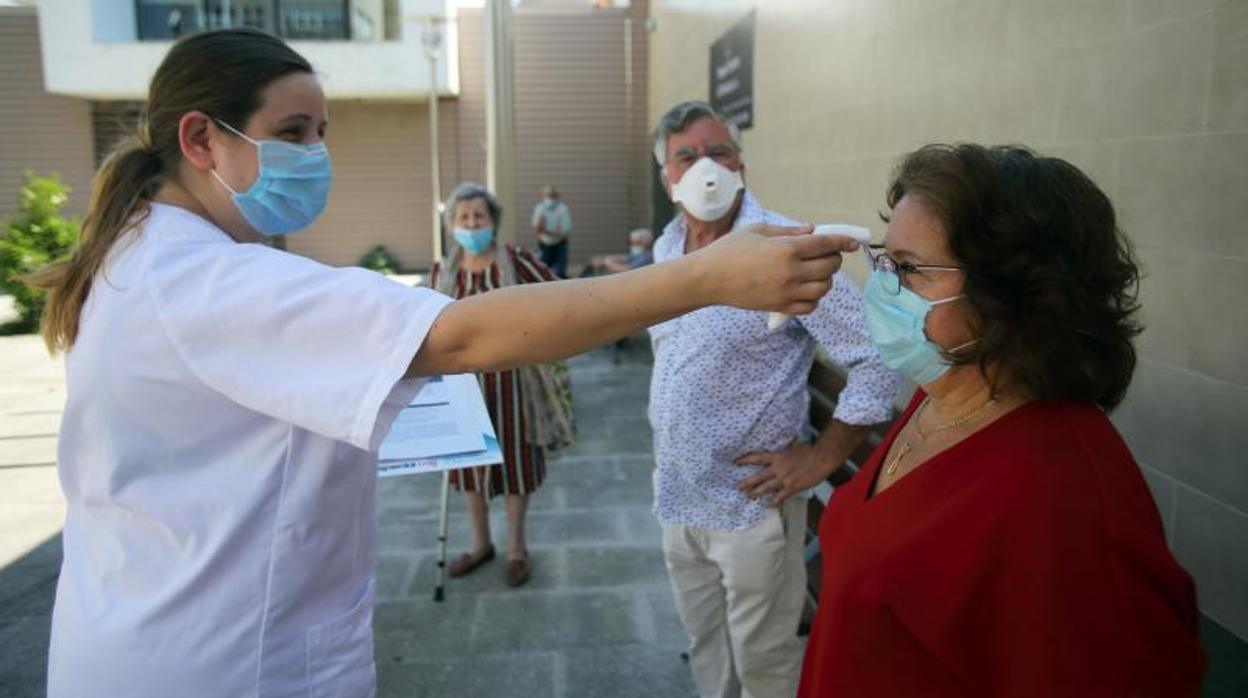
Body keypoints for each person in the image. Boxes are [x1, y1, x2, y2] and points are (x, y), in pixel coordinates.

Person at [25, 30, 857, 698]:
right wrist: (704, 279)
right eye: (291, 133)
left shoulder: (147, 256)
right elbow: (459, 336)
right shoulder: (205, 279)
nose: (316, 155)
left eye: (320, 133)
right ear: (200, 137)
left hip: (166, 627)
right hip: (216, 658)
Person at [795, 144, 1205, 697]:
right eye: (884, 261)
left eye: (911, 270)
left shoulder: (1064, 501)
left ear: (1010, 295)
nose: (882, 288)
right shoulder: (941, 396)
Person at [647, 100, 901, 698]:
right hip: (677, 493)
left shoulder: (788, 247)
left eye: (719, 152)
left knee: (765, 665)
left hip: (750, 506)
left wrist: (819, 459)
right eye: (686, 156)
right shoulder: (665, 247)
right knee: (706, 647)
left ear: (741, 164)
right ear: (667, 177)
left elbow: (875, 358)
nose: (705, 166)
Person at [429, 182, 565, 587]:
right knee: (469, 470)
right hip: (462, 388)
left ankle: (517, 548)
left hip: (512, 386)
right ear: (452, 225)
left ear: (493, 222)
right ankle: (480, 543)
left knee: (516, 467)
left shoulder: (514, 261)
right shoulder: (443, 270)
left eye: (479, 216)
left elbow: (554, 294)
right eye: (464, 217)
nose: (472, 223)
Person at [531, 184, 572, 277]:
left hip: (560, 244)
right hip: (545, 244)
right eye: (547, 195)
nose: (549, 198)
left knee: (561, 272)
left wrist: (550, 232)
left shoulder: (563, 209)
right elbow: (536, 230)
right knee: (544, 272)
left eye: (551, 195)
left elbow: (565, 231)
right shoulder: (539, 208)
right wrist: (540, 227)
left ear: (556, 196)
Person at [585, 227, 654, 275]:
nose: (633, 245)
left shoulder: (647, 257)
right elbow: (624, 257)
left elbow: (628, 270)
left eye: (636, 242)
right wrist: (603, 258)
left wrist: (608, 262)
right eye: (631, 242)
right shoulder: (639, 254)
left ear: (645, 242)